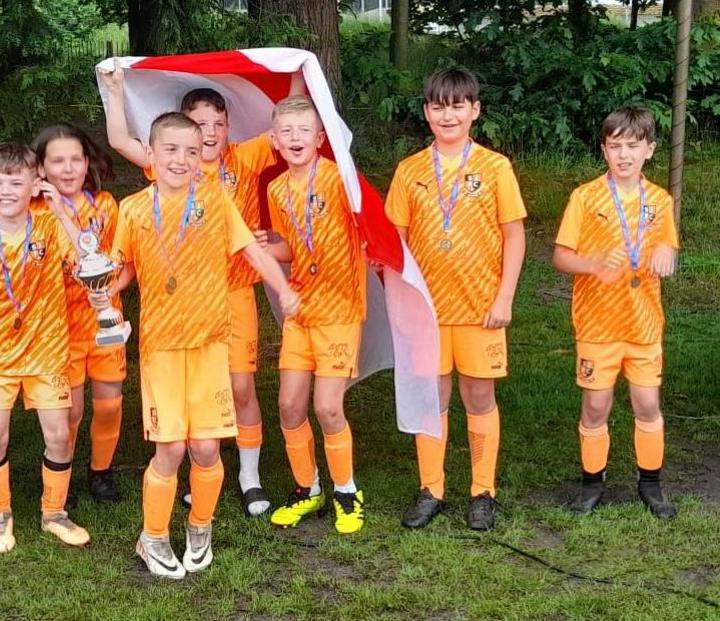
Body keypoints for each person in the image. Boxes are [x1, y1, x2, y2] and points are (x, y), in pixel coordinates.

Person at [100, 61, 304, 516]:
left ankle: (249, 477)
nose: (210, 132)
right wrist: (115, 90)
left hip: (234, 296)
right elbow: (119, 140)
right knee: (191, 400)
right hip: (180, 306)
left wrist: (296, 71)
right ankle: (198, 474)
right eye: (201, 124)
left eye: (219, 123)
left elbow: (291, 122)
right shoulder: (170, 169)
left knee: (241, 387)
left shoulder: (244, 158)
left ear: (230, 128)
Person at [384, 68, 526, 531]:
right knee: (434, 396)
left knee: (479, 395)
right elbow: (395, 244)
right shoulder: (410, 171)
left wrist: (505, 296)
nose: (449, 114)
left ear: (475, 110)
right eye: (439, 106)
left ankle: (483, 490)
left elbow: (514, 236)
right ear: (427, 113)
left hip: (480, 307)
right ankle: (432, 488)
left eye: (458, 105)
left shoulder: (495, 167)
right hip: (427, 311)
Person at [0, 142, 90, 554]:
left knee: (59, 435)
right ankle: (0, 513)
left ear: (34, 185)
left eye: (16, 182)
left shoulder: (49, 227)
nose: (6, 190)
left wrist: (60, 207)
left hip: (46, 351)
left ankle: (54, 512)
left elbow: (86, 255)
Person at [552, 106, 679, 519]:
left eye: (633, 145)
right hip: (597, 324)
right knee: (596, 405)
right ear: (604, 150)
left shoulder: (659, 200)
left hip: (643, 324)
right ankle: (592, 483)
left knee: (646, 403)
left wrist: (666, 251)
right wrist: (592, 265)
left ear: (649, 150)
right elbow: (561, 256)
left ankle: (651, 483)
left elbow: (669, 254)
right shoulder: (585, 197)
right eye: (616, 145)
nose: (624, 154)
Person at [262, 95, 367, 534]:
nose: (295, 138)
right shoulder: (275, 190)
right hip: (300, 311)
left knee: (327, 406)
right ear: (274, 141)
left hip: (339, 309)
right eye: (286, 132)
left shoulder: (340, 179)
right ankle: (308, 488)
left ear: (321, 139)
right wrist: (264, 248)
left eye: (304, 131)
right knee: (288, 404)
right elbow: (289, 245)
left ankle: (347, 490)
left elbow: (368, 226)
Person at [29, 123, 128, 504]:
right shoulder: (33, 211)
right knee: (70, 411)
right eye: (57, 161)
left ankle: (100, 472)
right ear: (40, 169)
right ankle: (61, 472)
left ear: (88, 163)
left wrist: (112, 291)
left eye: (75, 159)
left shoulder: (105, 205)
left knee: (109, 404)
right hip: (59, 326)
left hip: (103, 321)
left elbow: (119, 260)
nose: (68, 169)